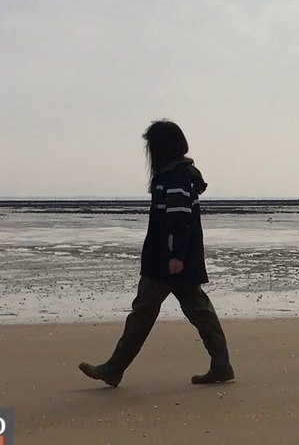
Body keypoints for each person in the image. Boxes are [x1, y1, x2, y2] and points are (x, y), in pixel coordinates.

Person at [79, 120, 235, 387]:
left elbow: (179, 219)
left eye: (151, 145)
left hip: (167, 261)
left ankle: (114, 369)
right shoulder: (178, 175)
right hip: (174, 259)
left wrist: (175, 256)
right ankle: (221, 365)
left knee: (146, 313)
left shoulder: (174, 177)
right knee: (198, 312)